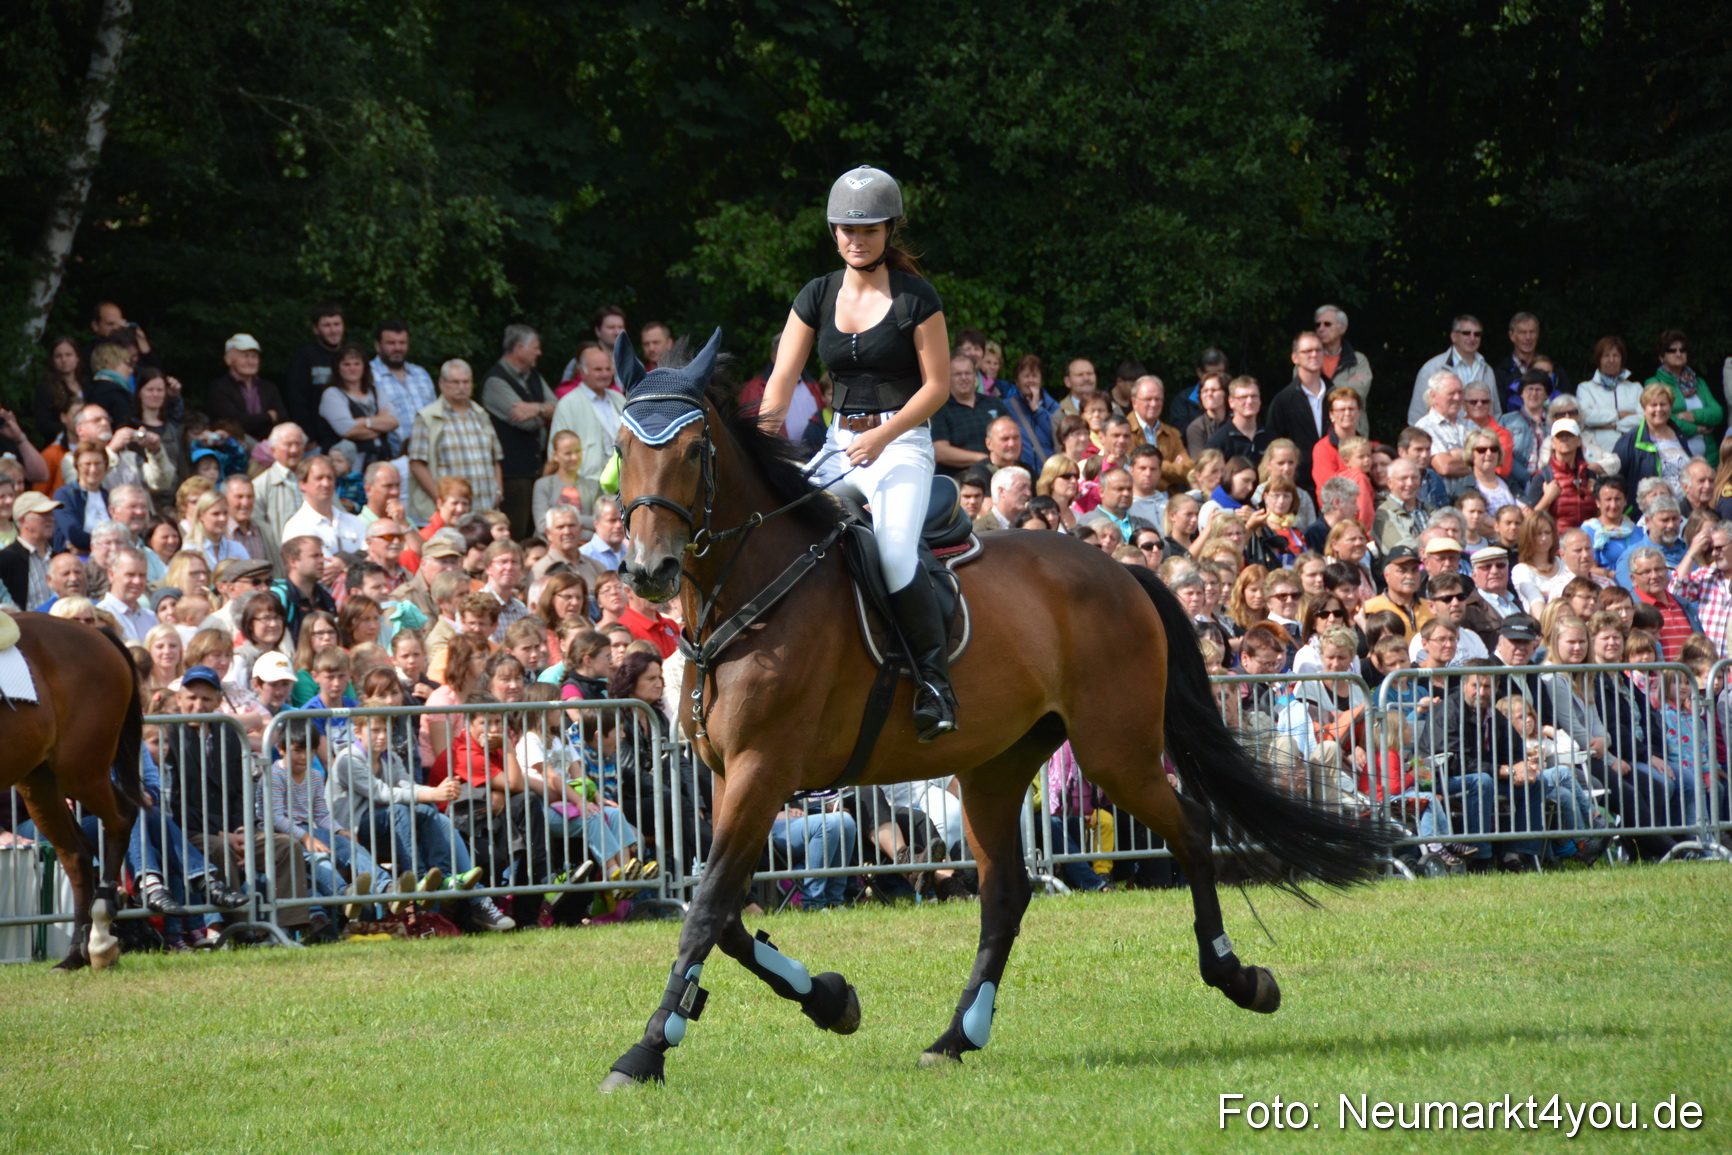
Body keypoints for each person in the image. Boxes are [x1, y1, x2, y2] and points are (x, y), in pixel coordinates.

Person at [757, 165, 961, 741]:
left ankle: (934, 683)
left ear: (889, 230)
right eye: (845, 228)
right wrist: (769, 449)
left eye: (867, 229)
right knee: (782, 534)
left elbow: (937, 387)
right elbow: (780, 382)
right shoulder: (816, 295)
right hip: (838, 444)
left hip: (901, 447)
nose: (855, 238)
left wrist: (885, 435)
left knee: (895, 555)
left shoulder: (917, 297)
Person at [479, 325, 558, 538]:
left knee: (538, 533)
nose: (539, 353)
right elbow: (525, 423)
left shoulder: (534, 376)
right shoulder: (495, 381)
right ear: (519, 348)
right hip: (512, 476)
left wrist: (535, 409)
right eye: (535, 347)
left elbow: (557, 408)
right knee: (517, 533)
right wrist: (544, 412)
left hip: (536, 470)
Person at [408, 360, 504, 526]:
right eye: (455, 382)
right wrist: (441, 499)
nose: (462, 387)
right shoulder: (427, 417)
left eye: (466, 382)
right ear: (442, 384)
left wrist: (498, 492)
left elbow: (495, 459)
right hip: (450, 513)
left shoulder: (481, 414)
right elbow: (417, 464)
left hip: (485, 509)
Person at [319, 342, 400, 470]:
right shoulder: (332, 394)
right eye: (346, 364)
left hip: (382, 459)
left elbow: (394, 421)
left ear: (364, 367)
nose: (352, 368)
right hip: (348, 469)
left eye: (357, 364)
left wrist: (364, 421)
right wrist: (381, 425)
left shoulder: (376, 391)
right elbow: (347, 430)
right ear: (337, 368)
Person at [1645, 330, 1719, 466]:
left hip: (1708, 459)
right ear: (1662, 356)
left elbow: (1717, 413)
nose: (1678, 353)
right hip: (1674, 459)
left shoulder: (1700, 383)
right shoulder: (1654, 383)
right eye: (1672, 350)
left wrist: (1691, 415)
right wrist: (1697, 429)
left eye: (1682, 350)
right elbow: (1664, 418)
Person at [1408, 315, 1496, 423]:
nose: (1472, 338)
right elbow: (1417, 414)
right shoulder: (1433, 368)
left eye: (1477, 334)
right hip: (1442, 436)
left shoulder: (1487, 370)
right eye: (1466, 333)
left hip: (1481, 437)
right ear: (1454, 336)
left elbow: (1495, 412)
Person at [1615, 383, 1693, 501]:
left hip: (1684, 510)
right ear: (1644, 409)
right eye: (1653, 405)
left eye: (1663, 404)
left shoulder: (1680, 435)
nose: (1659, 409)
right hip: (1648, 512)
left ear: (1670, 407)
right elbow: (1616, 480)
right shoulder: (1630, 441)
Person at [207, 334, 288, 445]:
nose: (250, 361)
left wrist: (251, 422)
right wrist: (268, 416)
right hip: (234, 447)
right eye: (245, 356)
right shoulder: (219, 388)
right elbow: (233, 424)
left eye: (254, 356)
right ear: (228, 359)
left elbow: (282, 421)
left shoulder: (269, 388)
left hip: (271, 446)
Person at [281, 455, 368, 558]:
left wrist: (344, 562)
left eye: (330, 478)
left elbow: (370, 557)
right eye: (319, 478)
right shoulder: (296, 527)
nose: (326, 484)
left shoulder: (354, 522)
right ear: (302, 484)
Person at [369, 321, 437, 452]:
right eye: (391, 343)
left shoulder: (421, 374)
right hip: (389, 457)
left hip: (428, 453)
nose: (397, 348)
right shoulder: (367, 375)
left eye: (402, 343)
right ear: (377, 346)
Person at [1577, 336, 1641, 458]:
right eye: (1606, 355)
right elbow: (1586, 417)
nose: (1611, 360)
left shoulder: (1635, 388)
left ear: (1622, 359)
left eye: (1615, 355)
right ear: (1599, 359)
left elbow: (1644, 419)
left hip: (1633, 451)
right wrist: (1619, 414)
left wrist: (1614, 425)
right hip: (1599, 452)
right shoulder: (1585, 388)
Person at [1315, 304, 1373, 418]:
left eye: (1327, 324)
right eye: (1317, 325)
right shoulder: (1308, 360)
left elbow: (1358, 393)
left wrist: (1320, 390)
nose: (1321, 329)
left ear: (1342, 328)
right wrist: (1347, 385)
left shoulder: (1358, 360)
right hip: (1317, 431)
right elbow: (1303, 395)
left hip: (1351, 429)